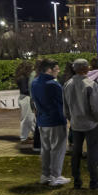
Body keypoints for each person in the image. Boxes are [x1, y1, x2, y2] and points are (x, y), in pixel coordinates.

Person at [63, 58, 98, 190]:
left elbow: (65, 108)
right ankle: (94, 181)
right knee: (92, 152)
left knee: (76, 153)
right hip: (90, 124)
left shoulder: (67, 84)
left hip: (75, 124)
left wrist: (71, 120)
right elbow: (96, 107)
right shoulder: (91, 84)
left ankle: (77, 181)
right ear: (86, 68)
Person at [31, 58, 69, 186]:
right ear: (49, 70)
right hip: (56, 120)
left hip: (42, 121)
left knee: (46, 149)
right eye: (56, 69)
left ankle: (45, 175)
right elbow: (64, 101)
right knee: (58, 149)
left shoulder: (34, 83)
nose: (58, 71)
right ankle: (55, 176)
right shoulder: (53, 84)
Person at [15, 61, 36, 142]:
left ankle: (35, 135)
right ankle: (24, 138)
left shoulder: (22, 77)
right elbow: (24, 90)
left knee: (31, 119)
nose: (32, 69)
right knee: (27, 119)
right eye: (31, 68)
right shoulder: (23, 78)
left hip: (25, 98)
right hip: (25, 98)